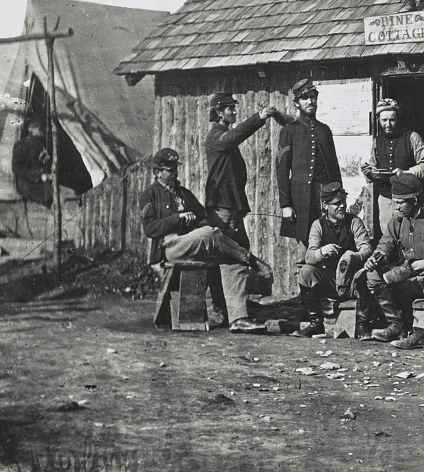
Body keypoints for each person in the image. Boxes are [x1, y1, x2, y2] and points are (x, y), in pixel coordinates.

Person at [141, 147, 273, 334]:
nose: (175, 173)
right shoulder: (149, 195)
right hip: (170, 246)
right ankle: (251, 259)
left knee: (231, 259)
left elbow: (203, 216)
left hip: (195, 242)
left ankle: (238, 317)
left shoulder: (184, 193)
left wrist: (198, 222)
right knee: (208, 234)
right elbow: (150, 229)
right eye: (170, 170)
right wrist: (177, 219)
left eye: (175, 169)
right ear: (157, 172)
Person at [364, 173, 424, 350]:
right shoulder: (396, 222)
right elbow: (385, 245)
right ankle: (395, 325)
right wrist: (375, 258)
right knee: (373, 275)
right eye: (395, 202)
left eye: (401, 203)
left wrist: (417, 265)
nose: (396, 207)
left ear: (414, 200)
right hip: (409, 280)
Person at [205, 93, 290, 250]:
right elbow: (234, 136)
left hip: (231, 205)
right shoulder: (215, 136)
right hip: (223, 206)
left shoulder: (221, 136)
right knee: (229, 251)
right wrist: (259, 117)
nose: (235, 112)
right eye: (231, 109)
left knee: (241, 247)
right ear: (219, 113)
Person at [294, 183, 378, 338]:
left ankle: (362, 324)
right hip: (331, 280)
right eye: (336, 204)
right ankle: (316, 323)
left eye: (343, 202)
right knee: (306, 272)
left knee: (366, 275)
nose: (342, 206)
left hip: (353, 280)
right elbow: (309, 256)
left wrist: (354, 256)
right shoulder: (318, 225)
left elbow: (366, 248)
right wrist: (322, 252)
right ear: (325, 206)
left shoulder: (354, 222)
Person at [276, 79, 342, 246]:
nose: (310, 102)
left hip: (325, 196)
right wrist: (286, 205)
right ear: (296, 103)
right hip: (301, 199)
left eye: (313, 97)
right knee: (305, 247)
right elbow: (282, 171)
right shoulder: (289, 131)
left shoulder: (324, 130)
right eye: (305, 98)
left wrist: (339, 197)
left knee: (330, 240)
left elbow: (334, 167)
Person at [360, 98, 424, 240]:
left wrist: (405, 173)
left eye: (392, 120)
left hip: (409, 199)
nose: (388, 124)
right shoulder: (377, 141)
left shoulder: (412, 137)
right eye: (384, 120)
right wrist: (369, 172)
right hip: (386, 198)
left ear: (398, 118)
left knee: (410, 236)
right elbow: (373, 167)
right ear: (378, 120)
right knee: (388, 236)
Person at [11, 115, 52, 206]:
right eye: (40, 127)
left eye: (44, 127)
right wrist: (39, 176)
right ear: (30, 129)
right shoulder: (21, 145)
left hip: (41, 183)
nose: (44, 130)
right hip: (28, 185)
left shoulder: (44, 144)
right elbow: (16, 168)